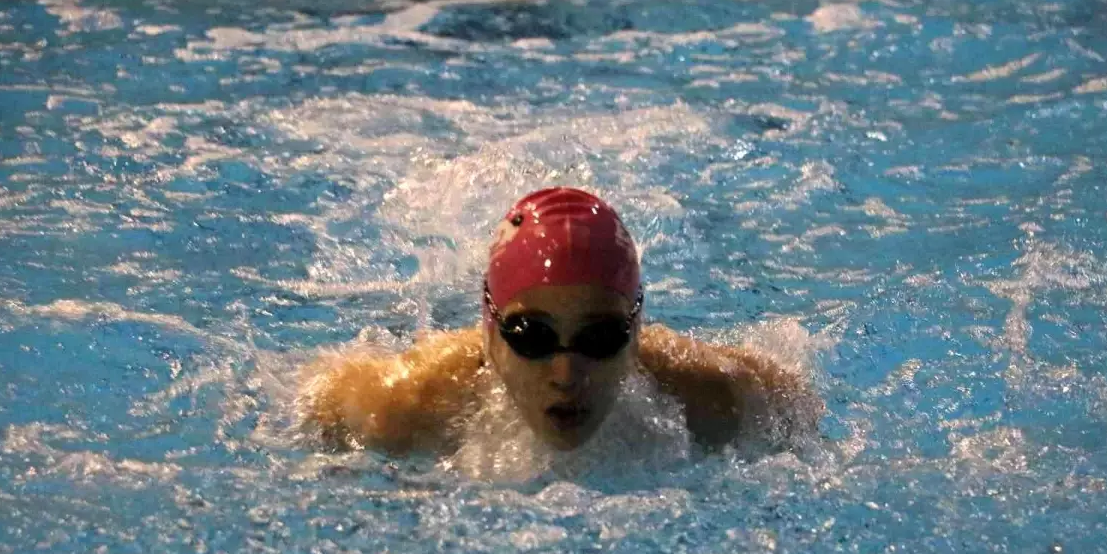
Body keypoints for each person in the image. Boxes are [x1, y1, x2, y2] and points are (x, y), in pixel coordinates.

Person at [298, 187, 820, 456]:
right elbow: (313, 402)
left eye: (600, 337)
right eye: (531, 336)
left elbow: (797, 405)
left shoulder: (718, 400)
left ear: (637, 333)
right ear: (488, 330)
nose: (566, 374)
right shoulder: (401, 404)